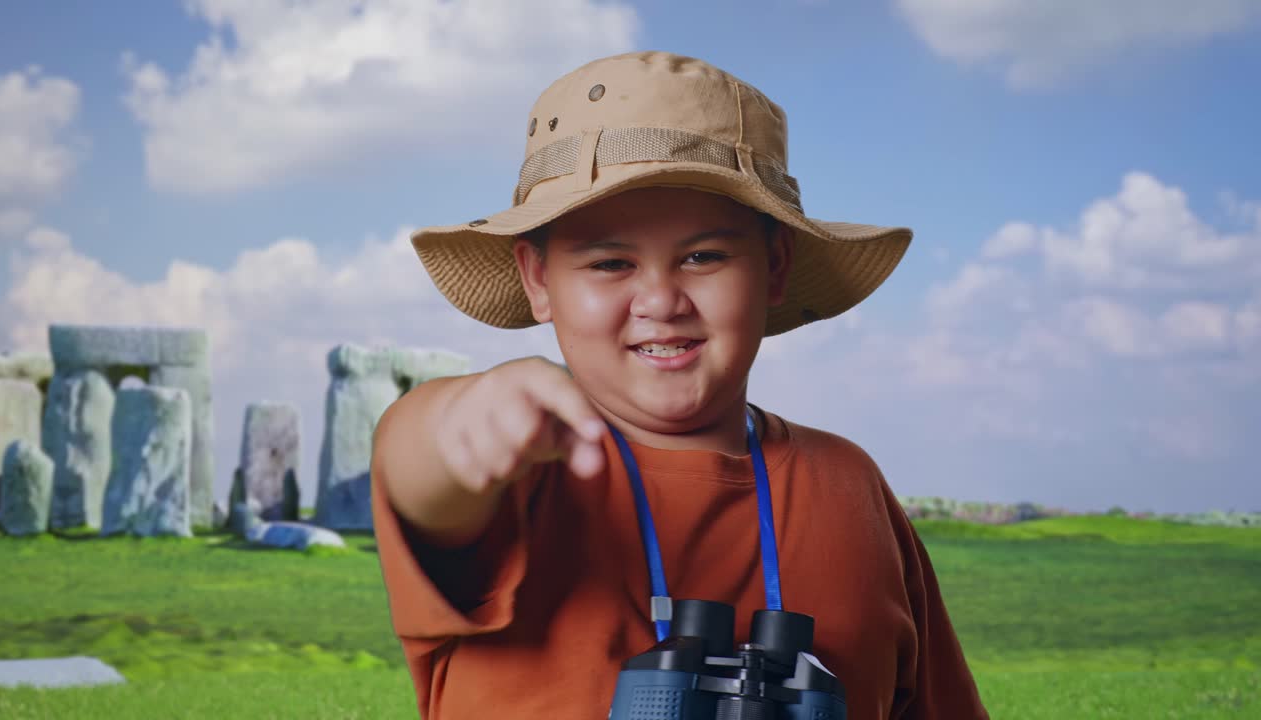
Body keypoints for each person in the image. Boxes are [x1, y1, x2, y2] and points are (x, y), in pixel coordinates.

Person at [370, 51, 988, 719]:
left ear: (773, 267)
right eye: (610, 263)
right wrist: (456, 418)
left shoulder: (849, 484)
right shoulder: (521, 474)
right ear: (539, 280)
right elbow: (418, 467)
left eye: (703, 257)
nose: (661, 301)